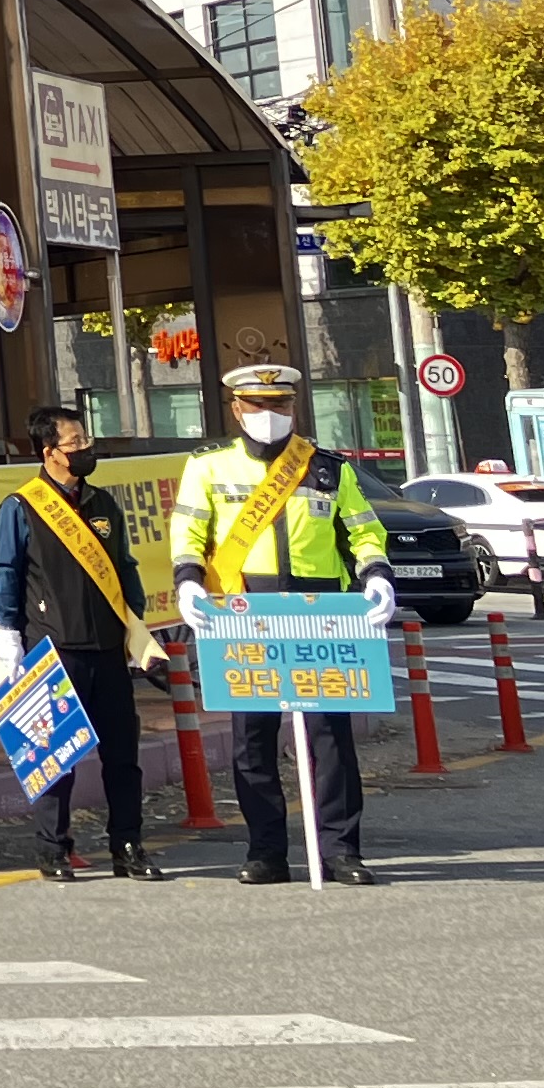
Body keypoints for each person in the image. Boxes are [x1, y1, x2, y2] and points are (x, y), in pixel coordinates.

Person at [167, 363, 392, 886]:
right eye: (259, 406)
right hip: (247, 612)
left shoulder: (329, 468)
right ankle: (266, 850)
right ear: (237, 408)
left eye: (281, 406)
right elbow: (188, 530)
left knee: (330, 735)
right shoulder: (208, 467)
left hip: (321, 612)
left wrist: (378, 575)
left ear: (294, 408)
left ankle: (341, 850)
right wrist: (187, 580)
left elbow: (363, 531)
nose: (270, 415)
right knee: (252, 736)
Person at [0, 402, 170, 884]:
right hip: (52, 648)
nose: (85, 449)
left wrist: (137, 626)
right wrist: (7, 636)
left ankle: (128, 844)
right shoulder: (22, 506)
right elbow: (6, 572)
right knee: (54, 759)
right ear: (49, 452)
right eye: (75, 444)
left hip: (108, 646)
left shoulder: (103, 504)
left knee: (122, 757)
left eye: (86, 441)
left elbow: (124, 567)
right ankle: (53, 848)